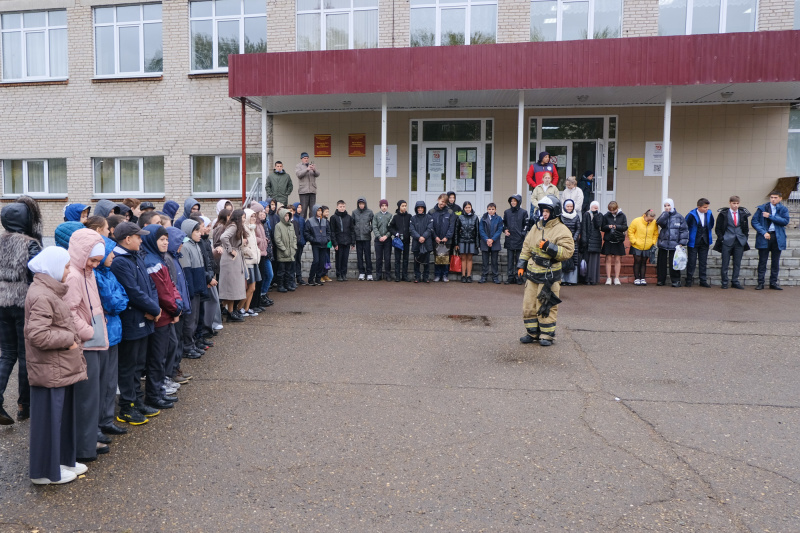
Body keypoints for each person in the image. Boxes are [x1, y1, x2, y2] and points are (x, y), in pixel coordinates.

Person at [25, 246, 88, 485]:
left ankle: (62, 462)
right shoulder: (43, 294)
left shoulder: (49, 291)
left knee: (60, 419)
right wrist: (69, 339)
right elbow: (38, 335)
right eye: (65, 266)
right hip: (50, 368)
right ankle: (44, 472)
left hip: (58, 366)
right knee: (49, 421)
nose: (69, 269)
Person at [63, 228, 110, 462]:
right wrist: (89, 331)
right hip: (87, 343)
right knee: (86, 400)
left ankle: (88, 441)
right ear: (81, 254)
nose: (95, 264)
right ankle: (83, 447)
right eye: (92, 259)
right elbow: (69, 312)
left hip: (95, 341)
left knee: (93, 398)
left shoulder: (86, 273)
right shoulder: (74, 275)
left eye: (98, 260)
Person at [110, 222, 162, 425]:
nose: (141, 240)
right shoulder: (120, 261)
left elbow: (150, 286)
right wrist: (154, 309)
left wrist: (154, 308)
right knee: (128, 365)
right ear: (127, 239)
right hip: (133, 320)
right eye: (138, 237)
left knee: (139, 364)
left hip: (145, 318)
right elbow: (132, 292)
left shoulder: (135, 256)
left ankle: (136, 401)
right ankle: (127, 406)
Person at [0, 196, 43, 425]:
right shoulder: (30, 243)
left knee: (7, 354)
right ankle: (24, 406)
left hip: (1, 303)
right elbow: (37, 273)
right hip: (23, 303)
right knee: (26, 355)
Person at [517, 195, 574, 347]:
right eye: (543, 210)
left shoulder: (562, 229)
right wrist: (521, 264)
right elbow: (527, 246)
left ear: (554, 211)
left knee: (546, 306)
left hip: (549, 275)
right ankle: (532, 333)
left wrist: (550, 247)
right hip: (532, 272)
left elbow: (568, 251)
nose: (545, 213)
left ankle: (547, 335)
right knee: (529, 305)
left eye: (547, 210)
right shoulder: (537, 226)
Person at [140, 225, 183, 410]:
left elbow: (172, 287)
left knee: (161, 357)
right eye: (161, 240)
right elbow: (163, 292)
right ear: (152, 242)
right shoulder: (152, 262)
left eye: (167, 239)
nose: (166, 242)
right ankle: (153, 394)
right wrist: (175, 309)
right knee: (156, 359)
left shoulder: (159, 259)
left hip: (166, 315)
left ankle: (158, 392)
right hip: (160, 317)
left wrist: (177, 305)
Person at [93, 237, 129, 437]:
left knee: (110, 380)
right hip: (102, 334)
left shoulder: (109, 273)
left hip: (114, 331)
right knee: (101, 380)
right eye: (110, 252)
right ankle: (98, 422)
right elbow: (113, 303)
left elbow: (123, 296)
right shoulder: (96, 276)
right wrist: (116, 303)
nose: (113, 255)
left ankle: (107, 419)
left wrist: (116, 303)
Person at [179, 219, 209, 358]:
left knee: (195, 319)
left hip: (198, 287)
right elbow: (187, 270)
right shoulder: (186, 246)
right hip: (192, 289)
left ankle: (192, 343)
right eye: (196, 231)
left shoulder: (195, 245)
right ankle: (187, 347)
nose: (199, 233)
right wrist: (190, 290)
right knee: (189, 321)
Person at [752, 190, 790, 290]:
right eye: (772, 197)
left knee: (775, 261)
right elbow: (754, 221)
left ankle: (773, 282)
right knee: (762, 261)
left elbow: (785, 221)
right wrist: (764, 232)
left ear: (780, 198)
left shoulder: (783, 209)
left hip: (777, 237)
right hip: (765, 236)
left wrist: (770, 216)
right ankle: (760, 283)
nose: (773, 199)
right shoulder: (762, 208)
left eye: (775, 197)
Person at [714, 196, 750, 289]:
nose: (736, 205)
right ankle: (724, 282)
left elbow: (746, 228)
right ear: (730, 203)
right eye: (734, 203)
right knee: (725, 262)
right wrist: (722, 238)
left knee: (737, 262)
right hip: (727, 240)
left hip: (739, 240)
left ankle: (735, 281)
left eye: (737, 203)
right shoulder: (723, 214)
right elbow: (718, 228)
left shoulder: (743, 214)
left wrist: (745, 238)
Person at [218, 209, 248, 321]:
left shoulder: (236, 226)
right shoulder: (234, 226)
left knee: (233, 288)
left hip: (234, 259)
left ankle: (230, 311)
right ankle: (227, 310)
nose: (244, 219)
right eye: (243, 217)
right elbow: (223, 237)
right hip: (231, 260)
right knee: (231, 287)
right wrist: (230, 250)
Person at [655, 198, 689, 287]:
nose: (667, 207)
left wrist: (682, 242)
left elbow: (684, 230)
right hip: (663, 243)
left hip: (675, 244)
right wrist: (665, 214)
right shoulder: (663, 215)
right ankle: (661, 280)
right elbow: (659, 223)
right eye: (665, 206)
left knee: (674, 263)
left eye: (669, 205)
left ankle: (676, 280)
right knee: (661, 262)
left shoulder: (679, 217)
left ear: (672, 205)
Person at [684, 198, 714, 288]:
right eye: (705, 207)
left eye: (707, 207)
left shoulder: (709, 213)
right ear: (698, 207)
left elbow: (711, 224)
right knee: (692, 261)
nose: (706, 209)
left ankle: (703, 280)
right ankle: (689, 280)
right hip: (693, 241)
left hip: (705, 241)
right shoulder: (691, 214)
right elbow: (686, 226)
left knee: (703, 262)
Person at [628, 209, 658, 286]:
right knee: (637, 261)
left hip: (648, 245)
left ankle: (642, 278)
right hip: (637, 245)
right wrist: (634, 241)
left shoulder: (654, 223)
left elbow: (655, 233)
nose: (650, 222)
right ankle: (637, 278)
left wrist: (653, 242)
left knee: (644, 262)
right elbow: (630, 231)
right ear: (645, 216)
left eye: (651, 220)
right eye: (649, 220)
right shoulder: (636, 221)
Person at [502, 194, 528, 285]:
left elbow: (526, 224)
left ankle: (519, 277)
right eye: (512, 201)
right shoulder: (507, 212)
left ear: (518, 202)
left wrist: (522, 234)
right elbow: (503, 224)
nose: (513, 202)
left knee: (519, 260)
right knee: (509, 260)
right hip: (509, 239)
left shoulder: (524, 212)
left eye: (515, 201)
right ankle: (510, 277)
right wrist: (505, 230)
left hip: (519, 239)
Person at [429, 194, 455, 282]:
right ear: (438, 199)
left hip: (446, 240)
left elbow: (451, 226)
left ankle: (445, 275)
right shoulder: (431, 212)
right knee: (437, 257)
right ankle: (437, 275)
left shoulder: (450, 212)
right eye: (441, 201)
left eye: (445, 202)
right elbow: (430, 226)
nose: (442, 203)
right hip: (435, 239)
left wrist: (447, 237)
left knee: (445, 258)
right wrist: (435, 236)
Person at [240, 209, 262, 315]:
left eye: (255, 216)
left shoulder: (252, 229)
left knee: (253, 288)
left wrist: (257, 252)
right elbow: (242, 246)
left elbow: (254, 245)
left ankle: (247, 308)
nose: (254, 218)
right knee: (249, 287)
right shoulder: (244, 229)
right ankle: (240, 308)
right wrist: (251, 253)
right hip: (248, 261)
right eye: (251, 216)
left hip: (254, 261)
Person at [601, 201, 628, 285]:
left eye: (614, 210)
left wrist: (616, 227)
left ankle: (617, 278)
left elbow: (625, 227)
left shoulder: (622, 215)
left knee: (617, 259)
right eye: (610, 210)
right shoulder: (606, 216)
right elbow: (602, 227)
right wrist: (608, 227)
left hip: (618, 239)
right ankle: (608, 278)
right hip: (609, 239)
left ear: (617, 208)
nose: (612, 212)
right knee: (608, 259)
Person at [303, 204, 331, 286]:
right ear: (315, 211)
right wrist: (313, 240)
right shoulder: (310, 221)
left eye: (320, 210)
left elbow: (329, 232)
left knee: (322, 262)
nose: (320, 212)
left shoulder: (325, 221)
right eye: (318, 210)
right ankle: (311, 279)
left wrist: (327, 239)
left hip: (324, 244)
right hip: (315, 244)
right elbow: (306, 233)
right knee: (316, 261)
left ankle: (318, 278)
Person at [274, 208, 298, 293]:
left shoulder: (291, 225)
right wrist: (284, 249)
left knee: (288, 270)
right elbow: (277, 239)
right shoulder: (278, 226)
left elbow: (294, 237)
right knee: (281, 271)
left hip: (291, 252)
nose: (287, 217)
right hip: (282, 253)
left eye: (288, 215)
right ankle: (280, 286)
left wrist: (294, 247)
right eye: (286, 215)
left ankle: (287, 285)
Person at [478, 202, 503, 284]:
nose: (491, 211)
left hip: (494, 242)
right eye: (489, 209)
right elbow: (481, 230)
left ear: (495, 210)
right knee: (485, 261)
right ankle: (484, 276)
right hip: (485, 242)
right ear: (487, 209)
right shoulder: (483, 218)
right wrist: (487, 239)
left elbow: (499, 230)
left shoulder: (499, 218)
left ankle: (495, 277)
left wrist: (492, 240)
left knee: (494, 261)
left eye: (493, 209)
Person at [331, 200, 355, 282]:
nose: (342, 208)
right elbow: (332, 231)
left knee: (345, 259)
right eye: (340, 206)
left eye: (343, 206)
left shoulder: (349, 217)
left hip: (347, 242)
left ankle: (344, 274)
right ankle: (339, 274)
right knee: (339, 259)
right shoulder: (333, 218)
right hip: (338, 242)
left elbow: (352, 230)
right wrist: (335, 243)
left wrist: (353, 242)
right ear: (337, 207)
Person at [388, 200, 412, 282]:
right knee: (397, 259)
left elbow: (411, 227)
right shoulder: (395, 217)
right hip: (398, 242)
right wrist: (395, 233)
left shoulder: (409, 216)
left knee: (406, 259)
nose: (404, 207)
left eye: (405, 205)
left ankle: (404, 275)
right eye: (402, 206)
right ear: (399, 207)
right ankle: (397, 276)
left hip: (406, 241)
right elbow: (390, 227)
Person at [580, 201, 603, 285]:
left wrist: (596, 214)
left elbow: (599, 225)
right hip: (587, 240)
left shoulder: (600, 215)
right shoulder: (586, 214)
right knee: (587, 260)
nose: (595, 208)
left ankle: (593, 279)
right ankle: (586, 279)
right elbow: (584, 227)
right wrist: (584, 240)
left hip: (596, 240)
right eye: (593, 207)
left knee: (594, 261)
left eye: (596, 207)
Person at [410, 201, 433, 283]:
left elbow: (429, 229)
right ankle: (417, 277)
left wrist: (423, 237)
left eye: (421, 208)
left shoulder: (429, 218)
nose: (420, 209)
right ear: (416, 209)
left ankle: (426, 277)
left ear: (424, 208)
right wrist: (419, 237)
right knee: (416, 261)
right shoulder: (413, 218)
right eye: (418, 208)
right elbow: (411, 230)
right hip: (417, 243)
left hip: (426, 243)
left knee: (426, 262)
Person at [455, 201, 478, 283]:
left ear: (471, 208)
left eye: (469, 207)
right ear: (463, 208)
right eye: (466, 207)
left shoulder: (475, 217)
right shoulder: (460, 217)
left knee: (470, 258)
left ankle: (469, 276)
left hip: (472, 241)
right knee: (463, 258)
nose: (468, 209)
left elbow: (477, 231)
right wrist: (456, 243)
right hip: (462, 240)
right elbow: (456, 231)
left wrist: (477, 243)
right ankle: (463, 276)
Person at [560, 199, 581, 286]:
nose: (569, 208)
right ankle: (562, 279)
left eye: (571, 206)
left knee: (574, 260)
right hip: (563, 241)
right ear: (564, 207)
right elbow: (559, 228)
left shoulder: (576, 216)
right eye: (568, 206)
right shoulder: (560, 216)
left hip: (573, 242)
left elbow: (578, 228)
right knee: (563, 258)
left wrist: (574, 238)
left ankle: (571, 280)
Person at [353, 197, 374, 281]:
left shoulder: (370, 212)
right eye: (360, 204)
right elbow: (352, 223)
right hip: (358, 237)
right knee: (359, 255)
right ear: (358, 204)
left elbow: (373, 223)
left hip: (366, 237)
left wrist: (369, 229)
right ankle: (361, 272)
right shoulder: (354, 212)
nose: (361, 205)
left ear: (365, 204)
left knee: (367, 255)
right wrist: (355, 230)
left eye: (363, 203)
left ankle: (369, 273)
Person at [373, 199, 393, 282]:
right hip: (378, 240)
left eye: (385, 206)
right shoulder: (376, 215)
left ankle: (388, 275)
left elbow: (391, 228)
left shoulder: (390, 215)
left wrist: (386, 236)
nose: (384, 207)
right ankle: (378, 275)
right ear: (380, 206)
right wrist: (379, 236)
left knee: (387, 258)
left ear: (387, 206)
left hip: (387, 240)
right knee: (379, 258)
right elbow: (374, 227)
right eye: (382, 206)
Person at [296, 152, 319, 220]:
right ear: (301, 159)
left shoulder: (312, 165)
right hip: (303, 191)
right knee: (303, 210)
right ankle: (302, 225)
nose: (306, 159)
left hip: (312, 190)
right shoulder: (298, 166)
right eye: (304, 158)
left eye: (307, 158)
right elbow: (299, 174)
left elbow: (318, 174)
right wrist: (307, 169)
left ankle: (311, 225)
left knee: (312, 209)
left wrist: (314, 170)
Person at [292, 202, 307, 287]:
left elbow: (303, 231)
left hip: (300, 243)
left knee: (298, 260)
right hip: (294, 244)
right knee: (293, 261)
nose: (300, 209)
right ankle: (293, 277)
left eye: (301, 208)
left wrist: (303, 241)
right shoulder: (293, 218)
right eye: (298, 207)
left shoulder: (301, 219)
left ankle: (299, 277)